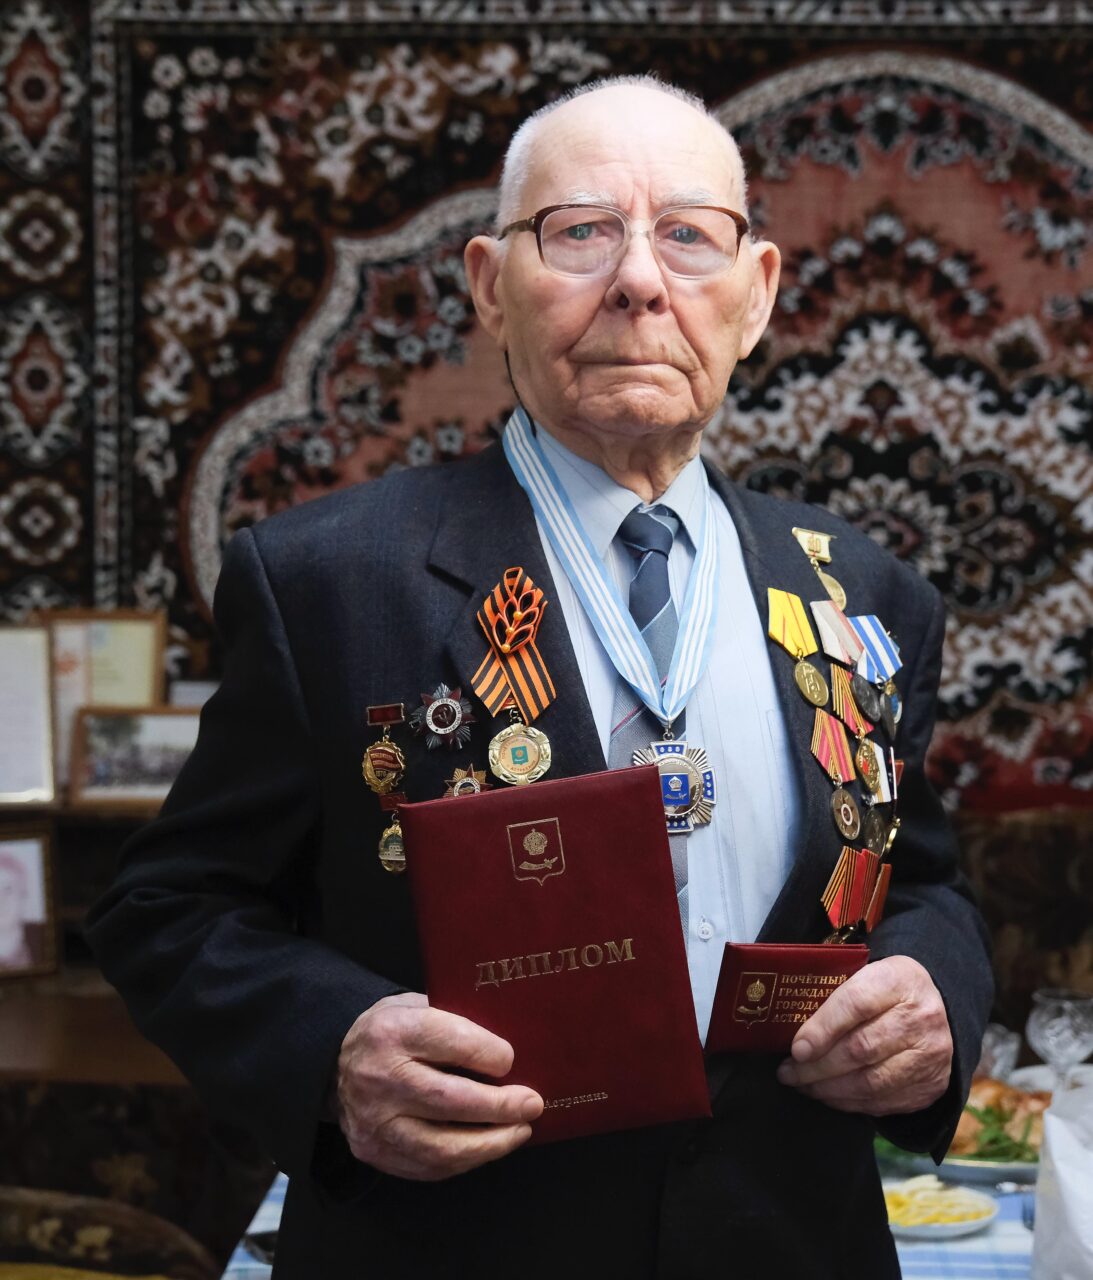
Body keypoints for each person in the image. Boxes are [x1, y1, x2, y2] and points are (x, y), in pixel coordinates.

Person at [88, 77, 993, 1278]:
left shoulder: (866, 592)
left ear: (757, 293)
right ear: (488, 285)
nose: (638, 279)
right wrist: (332, 1045)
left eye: (688, 234)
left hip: (793, 1239)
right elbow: (169, 908)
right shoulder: (326, 581)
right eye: (579, 231)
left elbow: (920, 883)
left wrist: (933, 988)